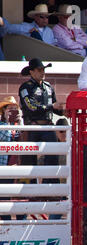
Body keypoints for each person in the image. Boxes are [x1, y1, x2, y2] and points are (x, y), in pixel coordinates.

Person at [19, 58, 67, 186]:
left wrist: (64, 111)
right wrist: (52, 107)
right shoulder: (25, 87)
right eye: (39, 70)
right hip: (32, 127)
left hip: (48, 126)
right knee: (29, 159)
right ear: (31, 72)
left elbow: (54, 107)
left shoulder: (48, 87)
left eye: (43, 70)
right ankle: (29, 190)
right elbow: (31, 107)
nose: (42, 72)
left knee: (52, 158)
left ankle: (51, 188)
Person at [0, 96, 23, 221]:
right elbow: (5, 135)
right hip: (3, 167)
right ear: (3, 111)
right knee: (4, 197)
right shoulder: (2, 125)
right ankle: (6, 222)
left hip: (16, 168)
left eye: (15, 109)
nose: (12, 111)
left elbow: (25, 139)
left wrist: (20, 122)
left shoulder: (18, 125)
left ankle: (20, 222)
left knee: (20, 197)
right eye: (9, 108)